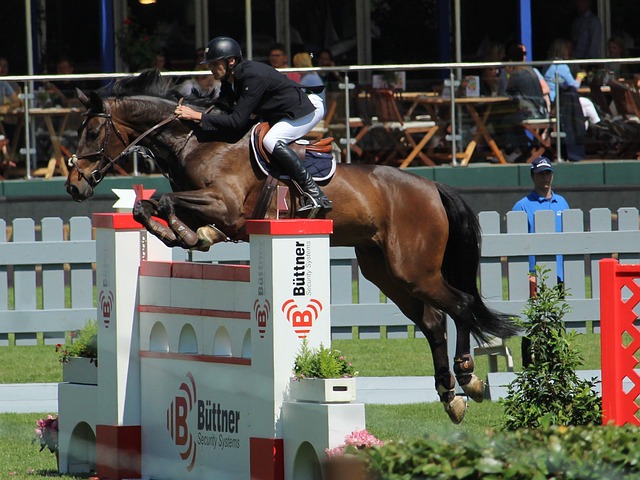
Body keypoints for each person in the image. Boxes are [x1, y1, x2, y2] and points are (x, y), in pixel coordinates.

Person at [175, 36, 331, 217]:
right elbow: (222, 109)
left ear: (231, 61)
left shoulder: (251, 75)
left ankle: (315, 193)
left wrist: (196, 115)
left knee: (272, 140)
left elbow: (236, 121)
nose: (210, 69)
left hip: (306, 110)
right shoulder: (229, 79)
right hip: (282, 112)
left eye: (214, 64)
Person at [512, 156, 570, 366]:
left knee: (557, 323)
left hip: (560, 273)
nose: (545, 178)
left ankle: (557, 365)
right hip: (533, 276)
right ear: (532, 176)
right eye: (540, 173)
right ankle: (529, 368)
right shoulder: (522, 207)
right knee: (532, 324)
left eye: (548, 173)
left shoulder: (562, 203)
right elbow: (516, 247)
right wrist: (527, 275)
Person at [544, 38, 600, 134]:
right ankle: (600, 129)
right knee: (588, 103)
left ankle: (589, 134)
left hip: (552, 102)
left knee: (584, 112)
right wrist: (580, 75)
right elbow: (573, 87)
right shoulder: (560, 66)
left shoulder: (548, 65)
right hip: (557, 103)